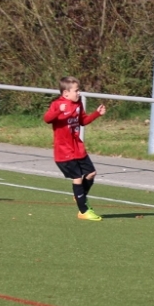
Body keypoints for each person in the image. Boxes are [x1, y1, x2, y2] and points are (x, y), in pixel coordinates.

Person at [43, 77, 107, 221]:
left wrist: (96, 114)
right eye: (76, 90)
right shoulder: (57, 104)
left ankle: (79, 196)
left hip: (78, 148)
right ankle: (83, 211)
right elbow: (47, 119)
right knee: (77, 178)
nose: (79, 93)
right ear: (66, 93)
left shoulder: (78, 103)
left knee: (91, 173)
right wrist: (58, 111)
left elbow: (83, 121)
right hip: (64, 152)